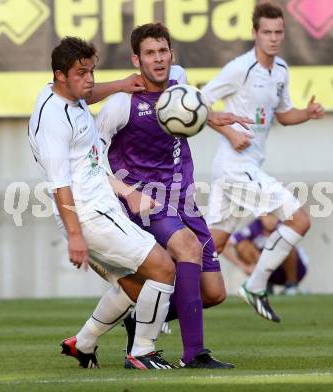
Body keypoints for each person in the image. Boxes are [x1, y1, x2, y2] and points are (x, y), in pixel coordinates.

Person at [96, 23, 250, 369]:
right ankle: (194, 354)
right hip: (147, 201)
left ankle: (142, 320)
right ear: (137, 59)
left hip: (185, 199)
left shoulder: (178, 80)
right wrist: (126, 194)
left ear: (172, 54)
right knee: (188, 248)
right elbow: (90, 161)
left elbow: (191, 109)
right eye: (149, 53)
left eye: (163, 51)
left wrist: (218, 121)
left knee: (214, 292)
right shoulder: (122, 105)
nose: (158, 59)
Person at [28, 36, 178, 370]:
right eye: (82, 73)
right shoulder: (53, 120)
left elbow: (90, 96)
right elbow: (60, 185)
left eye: (92, 71)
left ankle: (82, 344)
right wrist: (76, 234)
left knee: (133, 285)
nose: (90, 79)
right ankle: (142, 351)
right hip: (88, 214)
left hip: (100, 204)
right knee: (163, 268)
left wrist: (122, 83)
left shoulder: (68, 94)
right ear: (61, 75)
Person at [202, 2, 324, 322]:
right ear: (254, 33)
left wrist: (307, 115)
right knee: (300, 220)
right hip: (233, 165)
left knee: (210, 247)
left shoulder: (281, 70)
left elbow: (283, 115)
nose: (272, 38)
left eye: (278, 32)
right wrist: (229, 133)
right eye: (266, 32)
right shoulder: (239, 69)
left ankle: (156, 299)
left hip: (243, 167)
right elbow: (196, 107)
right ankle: (255, 285)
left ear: (283, 34)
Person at [222, 214, 308, 295]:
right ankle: (264, 284)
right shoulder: (253, 228)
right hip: (269, 272)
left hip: (295, 270)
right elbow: (224, 244)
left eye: (273, 215)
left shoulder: (284, 226)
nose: (270, 220)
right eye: (266, 215)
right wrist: (244, 267)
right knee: (242, 245)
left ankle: (291, 285)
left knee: (286, 243)